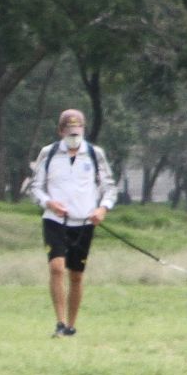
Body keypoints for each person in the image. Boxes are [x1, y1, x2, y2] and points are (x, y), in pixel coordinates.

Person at [29, 108, 118, 338]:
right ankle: (59, 322)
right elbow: (35, 187)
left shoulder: (94, 154)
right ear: (60, 131)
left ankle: (70, 326)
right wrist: (49, 203)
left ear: (83, 131)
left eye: (77, 132)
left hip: (84, 222)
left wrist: (102, 208)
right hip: (55, 220)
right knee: (56, 268)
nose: (73, 136)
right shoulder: (48, 154)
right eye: (69, 132)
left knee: (76, 275)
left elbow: (109, 187)